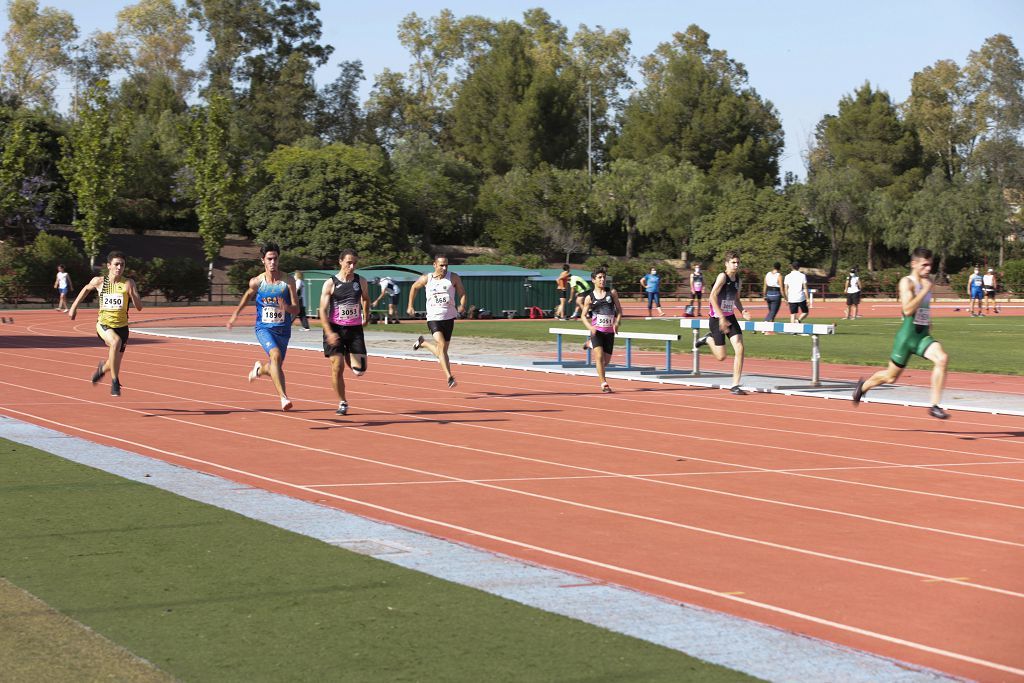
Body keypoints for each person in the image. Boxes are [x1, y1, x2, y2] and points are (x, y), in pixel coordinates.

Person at [853, 247, 950, 420]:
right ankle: (863, 386)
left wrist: (929, 323)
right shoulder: (908, 282)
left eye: (931, 265)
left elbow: (923, 310)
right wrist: (924, 291)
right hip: (906, 338)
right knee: (890, 378)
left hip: (922, 336)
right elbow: (907, 309)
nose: (928, 269)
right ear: (914, 264)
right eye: (925, 265)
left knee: (942, 358)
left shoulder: (926, 283)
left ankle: (934, 406)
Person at [227, 243, 299, 411]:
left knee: (276, 366)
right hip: (264, 328)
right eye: (269, 259)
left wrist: (286, 308)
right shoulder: (257, 282)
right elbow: (247, 296)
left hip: (283, 329)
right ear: (263, 261)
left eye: (275, 259)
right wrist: (235, 314)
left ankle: (260, 370)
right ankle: (283, 398)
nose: (273, 262)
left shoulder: (288, 281)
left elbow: (296, 308)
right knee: (275, 356)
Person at [67, 251, 143, 397]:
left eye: (122, 264)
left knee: (113, 362)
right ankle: (115, 382)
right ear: (109, 266)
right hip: (104, 325)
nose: (119, 267)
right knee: (115, 342)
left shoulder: (128, 283)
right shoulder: (100, 282)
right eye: (116, 264)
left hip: (122, 327)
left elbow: (139, 307)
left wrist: (132, 294)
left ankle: (102, 369)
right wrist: (73, 307)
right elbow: (85, 289)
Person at [319, 249, 370, 415]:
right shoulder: (330, 283)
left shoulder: (360, 281)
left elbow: (365, 299)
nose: (352, 266)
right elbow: (322, 310)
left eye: (355, 263)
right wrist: (329, 332)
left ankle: (349, 354)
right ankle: (342, 402)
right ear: (340, 262)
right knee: (337, 366)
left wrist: (366, 315)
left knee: (359, 371)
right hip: (335, 328)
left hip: (354, 329)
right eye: (349, 262)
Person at [693, 251, 751, 394]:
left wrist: (742, 311)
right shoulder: (722, 277)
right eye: (733, 262)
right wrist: (721, 317)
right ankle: (708, 339)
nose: (736, 265)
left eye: (738, 262)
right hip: (716, 318)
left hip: (730, 317)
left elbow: (736, 299)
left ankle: (735, 385)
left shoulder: (738, 280)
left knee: (740, 347)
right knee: (721, 356)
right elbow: (712, 297)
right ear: (726, 264)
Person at [408, 254, 467, 388]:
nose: (444, 268)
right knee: (441, 345)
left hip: (449, 318)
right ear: (434, 265)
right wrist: (410, 305)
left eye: (446, 265)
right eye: (441, 265)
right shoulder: (426, 278)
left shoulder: (453, 277)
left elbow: (462, 293)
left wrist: (462, 305)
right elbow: (414, 288)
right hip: (433, 318)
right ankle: (449, 377)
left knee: (442, 351)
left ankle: (423, 344)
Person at [580, 267, 623, 393]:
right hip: (597, 332)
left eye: (604, 277)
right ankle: (604, 383)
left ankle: (589, 344)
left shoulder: (612, 293)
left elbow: (619, 310)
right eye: (599, 277)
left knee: (606, 361)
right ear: (593, 280)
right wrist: (590, 327)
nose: (602, 279)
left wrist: (617, 323)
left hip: (609, 332)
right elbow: (583, 315)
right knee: (598, 357)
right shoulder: (590, 297)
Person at [763, 262, 782, 330]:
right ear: (779, 268)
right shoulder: (779, 275)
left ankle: (771, 328)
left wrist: (764, 294)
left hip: (768, 294)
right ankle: (764, 324)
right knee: (773, 312)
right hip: (776, 294)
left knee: (770, 311)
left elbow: (765, 285)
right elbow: (781, 288)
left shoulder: (768, 274)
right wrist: (785, 297)